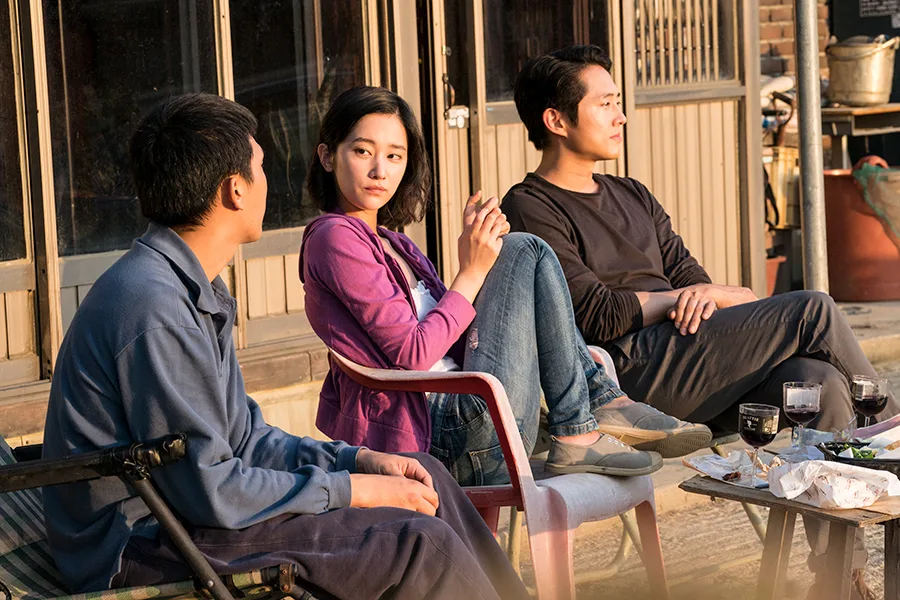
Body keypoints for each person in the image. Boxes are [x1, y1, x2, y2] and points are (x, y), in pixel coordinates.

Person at [40, 92, 529, 600]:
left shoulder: (192, 288)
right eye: (260, 165)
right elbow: (212, 491)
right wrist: (352, 490)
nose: (267, 180)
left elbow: (246, 441)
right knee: (415, 544)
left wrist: (358, 461)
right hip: (143, 544)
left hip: (187, 516)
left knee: (425, 474)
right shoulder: (155, 308)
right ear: (235, 190)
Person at [501, 44, 897, 600]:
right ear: (556, 120)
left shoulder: (633, 194)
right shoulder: (530, 206)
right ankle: (893, 446)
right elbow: (594, 314)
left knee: (819, 382)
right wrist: (675, 301)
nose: (621, 116)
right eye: (606, 104)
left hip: (694, 364)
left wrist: (708, 295)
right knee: (814, 308)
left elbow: (701, 285)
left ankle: (839, 579)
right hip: (626, 382)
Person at [300, 85, 712, 490]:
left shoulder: (396, 243)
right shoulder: (334, 237)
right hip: (445, 434)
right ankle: (586, 420)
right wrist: (471, 272)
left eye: (394, 156)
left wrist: (543, 334)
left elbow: (455, 339)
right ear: (327, 156)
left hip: (477, 410)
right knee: (523, 248)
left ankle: (589, 413)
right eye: (362, 151)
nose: (380, 170)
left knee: (521, 255)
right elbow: (415, 354)